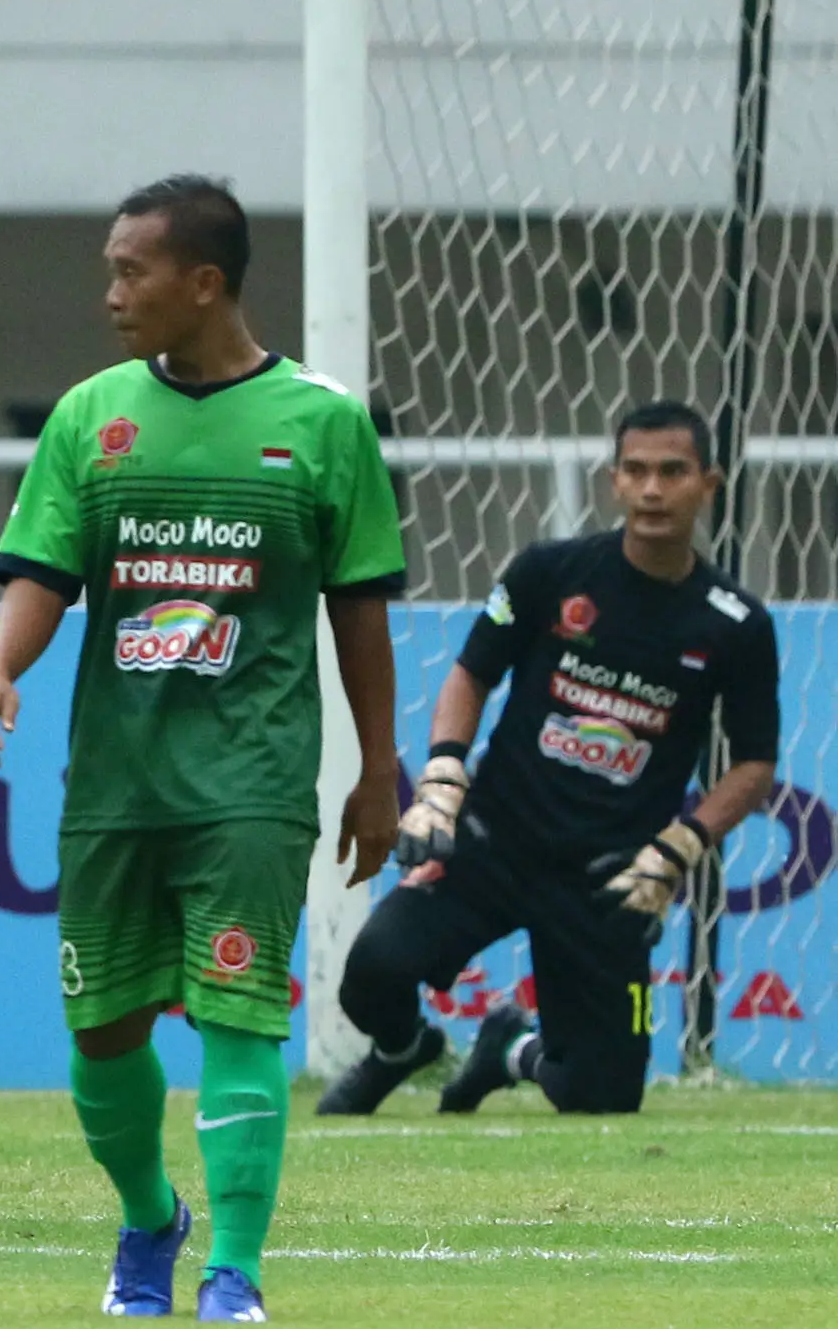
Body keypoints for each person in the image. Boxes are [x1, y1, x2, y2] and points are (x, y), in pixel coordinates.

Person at [0, 175, 405, 1325]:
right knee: (99, 1031)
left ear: (201, 282)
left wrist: (375, 765)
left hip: (251, 782)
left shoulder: (319, 421)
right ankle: (149, 1215)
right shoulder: (88, 413)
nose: (110, 292)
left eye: (129, 270)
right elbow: (45, 571)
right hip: (114, 781)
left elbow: (360, 608)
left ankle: (234, 1270)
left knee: (239, 1012)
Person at [320, 403, 780, 1119]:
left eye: (672, 471)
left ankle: (510, 1050)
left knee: (601, 1099)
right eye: (636, 470)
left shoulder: (735, 623)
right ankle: (402, 1048)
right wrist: (442, 776)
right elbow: (471, 672)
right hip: (492, 839)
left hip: (609, 873)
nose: (652, 488)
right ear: (613, 482)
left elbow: (753, 764)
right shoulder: (550, 572)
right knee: (372, 972)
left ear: (709, 484)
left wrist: (677, 848)